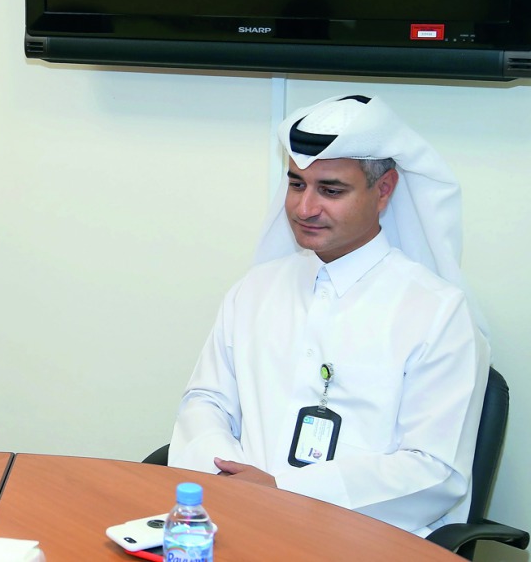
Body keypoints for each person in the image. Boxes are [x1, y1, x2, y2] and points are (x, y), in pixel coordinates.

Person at [168, 94, 489, 538]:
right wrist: (224, 478)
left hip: (361, 538)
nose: (305, 208)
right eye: (297, 184)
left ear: (385, 189)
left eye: (331, 190)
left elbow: (435, 469)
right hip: (236, 523)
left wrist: (286, 491)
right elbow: (206, 402)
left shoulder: (436, 310)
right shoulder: (255, 290)